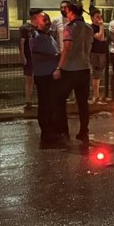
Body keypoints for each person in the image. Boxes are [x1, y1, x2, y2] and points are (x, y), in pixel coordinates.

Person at [53, 2, 93, 144]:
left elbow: (67, 48)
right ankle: (84, 131)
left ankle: (63, 130)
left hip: (70, 69)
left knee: (59, 99)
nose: (65, 12)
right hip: (85, 68)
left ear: (71, 12)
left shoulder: (69, 27)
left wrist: (59, 68)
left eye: (67, 10)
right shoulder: (88, 28)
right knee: (83, 102)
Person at [29, 11, 66, 148]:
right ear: (36, 22)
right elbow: (34, 55)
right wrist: (54, 56)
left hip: (50, 74)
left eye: (48, 19)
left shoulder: (47, 35)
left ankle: (52, 132)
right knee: (45, 105)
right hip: (43, 75)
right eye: (44, 20)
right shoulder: (35, 36)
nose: (47, 22)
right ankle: (47, 134)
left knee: (51, 104)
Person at [19, 8, 41, 110]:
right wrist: (23, 56)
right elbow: (21, 43)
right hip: (29, 56)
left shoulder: (41, 27)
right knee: (29, 78)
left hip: (39, 56)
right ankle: (28, 101)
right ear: (35, 17)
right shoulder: (25, 28)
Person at [89, 10, 109, 104]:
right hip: (95, 53)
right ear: (92, 18)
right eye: (97, 17)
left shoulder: (101, 28)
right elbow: (100, 38)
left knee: (101, 75)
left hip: (103, 53)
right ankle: (96, 96)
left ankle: (102, 96)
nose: (100, 19)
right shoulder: (91, 28)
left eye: (100, 16)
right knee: (96, 75)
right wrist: (101, 26)